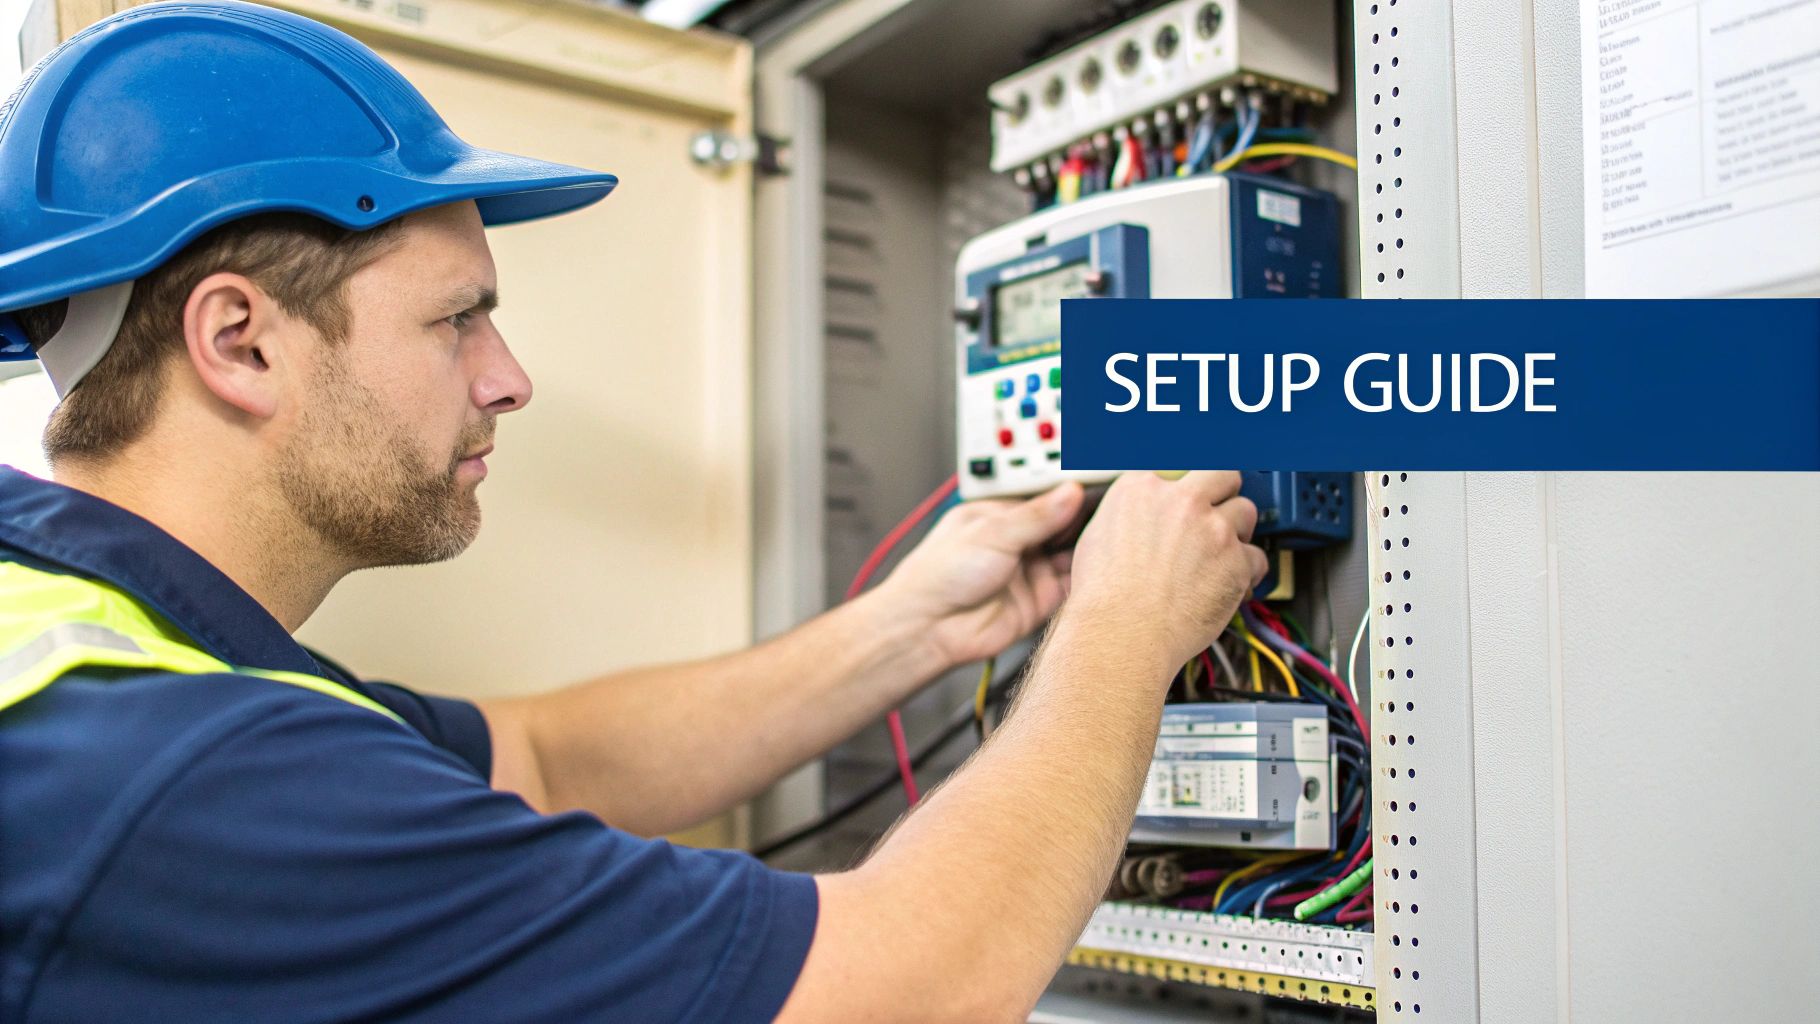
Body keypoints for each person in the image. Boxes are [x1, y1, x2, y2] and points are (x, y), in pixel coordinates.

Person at [0, 3, 1266, 1021]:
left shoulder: (106, 651)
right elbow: (909, 989)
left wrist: (914, 626)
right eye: (455, 318)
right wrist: (1123, 625)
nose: (508, 377)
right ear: (240, 341)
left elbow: (551, 760)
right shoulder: (183, 772)